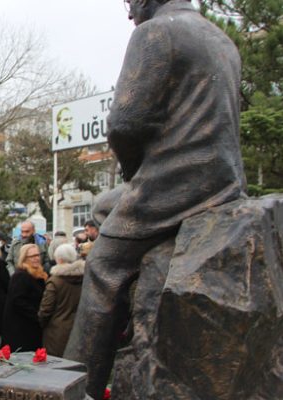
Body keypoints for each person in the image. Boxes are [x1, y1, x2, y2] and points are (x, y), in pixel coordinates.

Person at [64, 1, 245, 398]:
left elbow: (125, 122)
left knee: (102, 267)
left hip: (176, 182)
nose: (130, 13)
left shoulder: (155, 32)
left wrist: (133, 172)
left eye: (130, 2)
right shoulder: (222, 39)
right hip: (224, 180)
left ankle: (76, 385)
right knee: (104, 206)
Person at [38, 244, 83, 357]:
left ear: (59, 259)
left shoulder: (55, 281)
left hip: (56, 331)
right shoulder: (84, 278)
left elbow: (46, 310)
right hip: (78, 328)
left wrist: (41, 323)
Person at [2, 243, 48, 352]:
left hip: (32, 326)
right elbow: (18, 301)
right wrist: (37, 315)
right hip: (21, 328)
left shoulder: (39, 274)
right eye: (32, 256)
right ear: (24, 258)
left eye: (37, 255)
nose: (36, 258)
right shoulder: (21, 276)